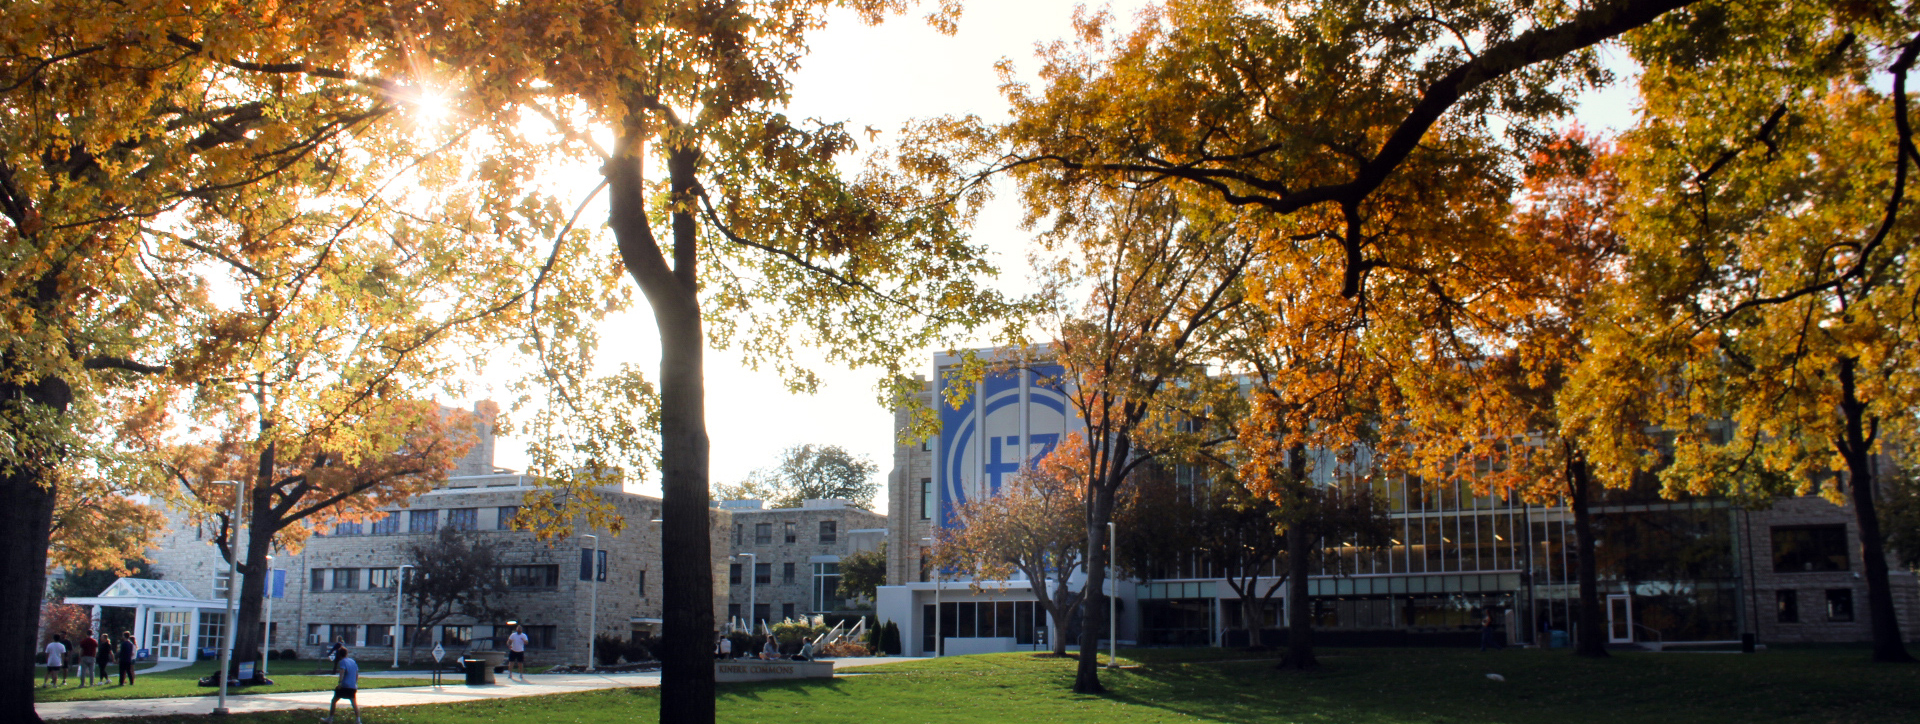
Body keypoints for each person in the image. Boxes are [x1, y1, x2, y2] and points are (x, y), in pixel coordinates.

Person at [324, 647, 361, 724]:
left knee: (334, 701)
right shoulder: (353, 661)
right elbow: (357, 673)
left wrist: (340, 683)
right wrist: (355, 683)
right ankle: (358, 720)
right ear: (346, 653)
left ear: (339, 655)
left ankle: (330, 719)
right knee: (354, 703)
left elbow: (342, 671)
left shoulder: (342, 662)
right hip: (352, 686)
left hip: (344, 685)